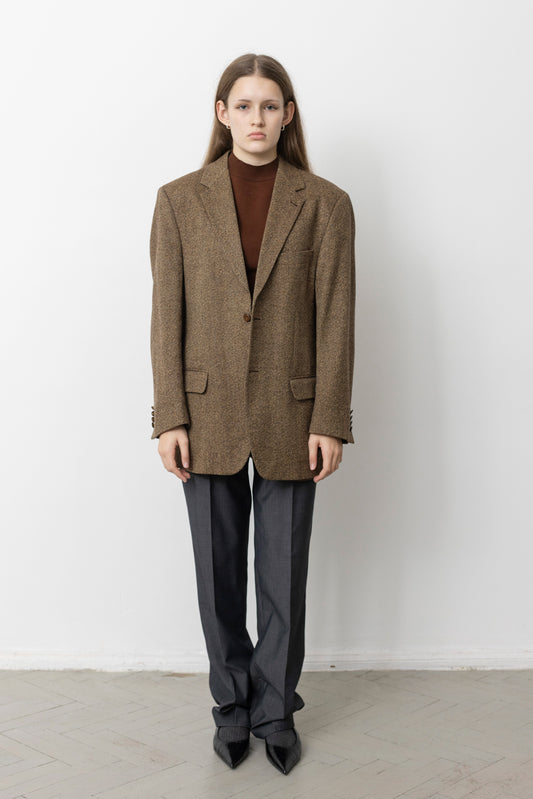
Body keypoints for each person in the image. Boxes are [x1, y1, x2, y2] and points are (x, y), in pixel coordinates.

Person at [149, 53, 356, 775]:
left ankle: (275, 713)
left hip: (291, 412)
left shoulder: (325, 204)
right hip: (203, 412)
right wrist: (169, 416)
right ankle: (231, 709)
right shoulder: (178, 200)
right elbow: (165, 316)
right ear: (222, 113)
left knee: (282, 579)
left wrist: (329, 418)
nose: (257, 118)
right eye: (244, 105)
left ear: (288, 115)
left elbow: (335, 318)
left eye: (270, 105)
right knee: (217, 577)